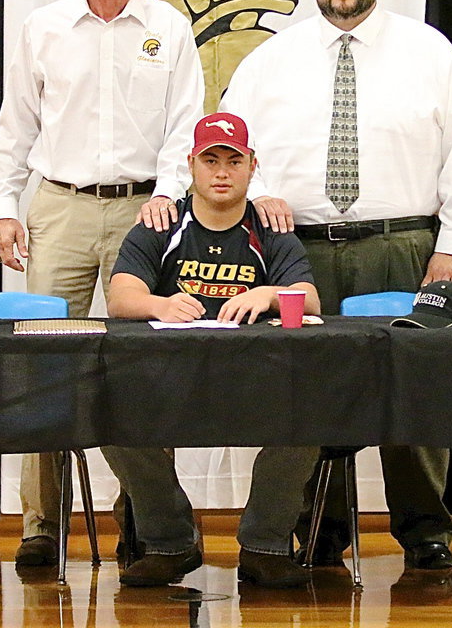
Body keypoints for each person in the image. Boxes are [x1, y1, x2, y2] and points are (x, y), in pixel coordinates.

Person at [220, 0, 452, 570]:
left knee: (414, 389)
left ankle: (425, 529)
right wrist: (264, 196)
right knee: (308, 395)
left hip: (402, 247)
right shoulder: (270, 60)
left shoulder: (430, 54)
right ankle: (319, 529)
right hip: (298, 253)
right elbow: (231, 144)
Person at [0, 0, 205, 567]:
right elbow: (16, 125)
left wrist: (169, 196)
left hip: (147, 212)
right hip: (59, 206)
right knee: (41, 368)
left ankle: (143, 519)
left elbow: (184, 126)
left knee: (144, 369)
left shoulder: (168, 28)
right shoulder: (44, 29)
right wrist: (5, 204)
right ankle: (40, 526)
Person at [101, 111, 321, 588]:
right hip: (169, 381)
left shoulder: (271, 228)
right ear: (192, 166)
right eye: (211, 160)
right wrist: (158, 304)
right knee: (113, 421)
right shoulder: (161, 224)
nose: (222, 172)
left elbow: (310, 297)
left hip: (254, 379)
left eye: (233, 161)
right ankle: (170, 543)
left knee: (309, 418)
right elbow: (120, 296)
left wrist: (264, 295)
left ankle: (264, 546)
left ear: (251, 166)